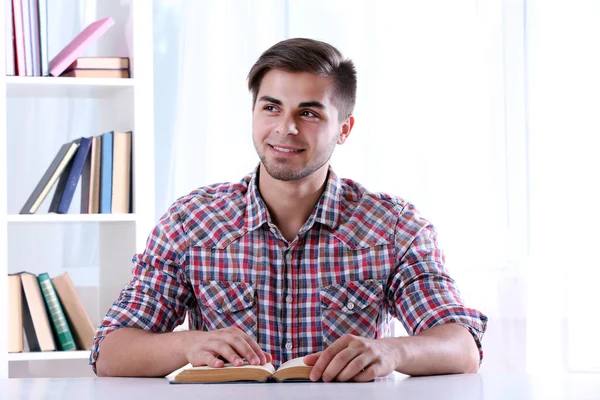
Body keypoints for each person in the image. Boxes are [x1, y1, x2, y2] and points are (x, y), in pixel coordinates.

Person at [92, 38, 487, 382]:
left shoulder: (395, 227)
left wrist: (393, 352)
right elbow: (110, 351)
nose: (286, 128)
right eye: (271, 108)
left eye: (309, 113)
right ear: (253, 113)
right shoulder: (190, 221)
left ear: (344, 129)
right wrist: (188, 344)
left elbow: (462, 346)